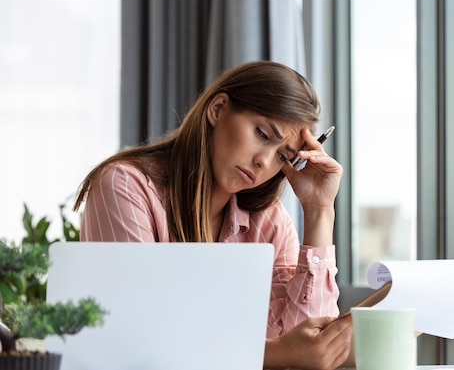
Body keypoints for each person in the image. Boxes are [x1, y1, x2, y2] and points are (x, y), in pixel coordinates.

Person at [72, 60, 352, 370]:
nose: (264, 162)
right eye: (262, 133)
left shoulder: (269, 222)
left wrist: (319, 210)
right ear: (217, 109)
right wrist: (276, 354)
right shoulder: (125, 187)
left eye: (282, 157)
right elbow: (132, 340)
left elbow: (307, 344)